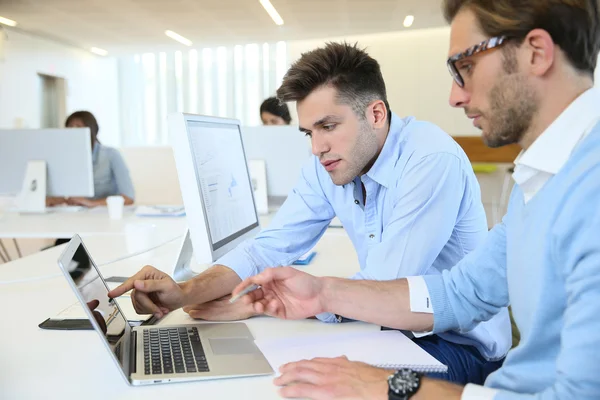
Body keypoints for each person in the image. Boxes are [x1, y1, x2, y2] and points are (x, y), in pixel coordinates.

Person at [230, 0, 600, 398]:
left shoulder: (589, 191)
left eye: (466, 67)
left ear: (536, 52)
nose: (455, 97)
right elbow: (462, 291)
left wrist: (394, 387)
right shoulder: (543, 177)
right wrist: (323, 293)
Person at [109, 43, 511, 384]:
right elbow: (267, 249)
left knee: (308, 384)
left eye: (328, 126)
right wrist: (185, 293)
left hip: (457, 349)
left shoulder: (429, 159)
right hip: (387, 330)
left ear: (376, 114)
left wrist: (259, 302)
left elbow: (388, 285)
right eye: (308, 132)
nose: (316, 147)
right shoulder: (330, 164)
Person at [46, 111, 135, 207]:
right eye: (70, 127)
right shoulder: (63, 158)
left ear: (93, 131)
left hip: (104, 214)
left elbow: (128, 198)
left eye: (79, 127)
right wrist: (56, 200)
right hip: (74, 213)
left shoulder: (111, 155)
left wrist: (91, 203)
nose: (74, 132)